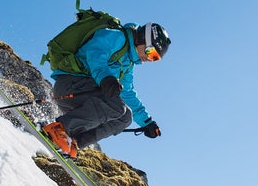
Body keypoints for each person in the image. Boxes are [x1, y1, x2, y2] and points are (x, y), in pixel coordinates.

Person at [42, 21, 170, 158]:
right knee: (117, 107)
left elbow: (127, 93)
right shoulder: (116, 36)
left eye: (155, 58)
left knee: (125, 117)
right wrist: (105, 78)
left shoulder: (127, 64)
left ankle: (73, 141)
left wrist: (147, 122)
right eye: (151, 52)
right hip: (70, 85)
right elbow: (95, 53)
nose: (149, 59)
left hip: (84, 96)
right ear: (142, 39)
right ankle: (58, 129)